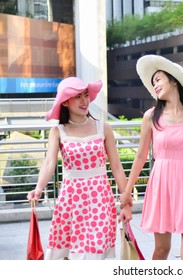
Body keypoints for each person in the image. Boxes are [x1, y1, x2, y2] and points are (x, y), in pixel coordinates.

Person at [119, 55, 183, 260]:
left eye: (158, 79)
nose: (155, 85)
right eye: (153, 83)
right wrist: (127, 192)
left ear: (174, 79)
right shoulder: (151, 116)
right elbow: (141, 155)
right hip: (162, 184)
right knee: (162, 250)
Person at [27, 77, 128, 260]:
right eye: (78, 96)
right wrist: (39, 188)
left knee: (97, 253)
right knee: (72, 256)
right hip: (71, 202)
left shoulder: (103, 127)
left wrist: (126, 201)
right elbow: (50, 163)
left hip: (100, 200)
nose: (85, 101)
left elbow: (117, 167)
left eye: (86, 95)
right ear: (65, 102)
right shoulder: (58, 131)